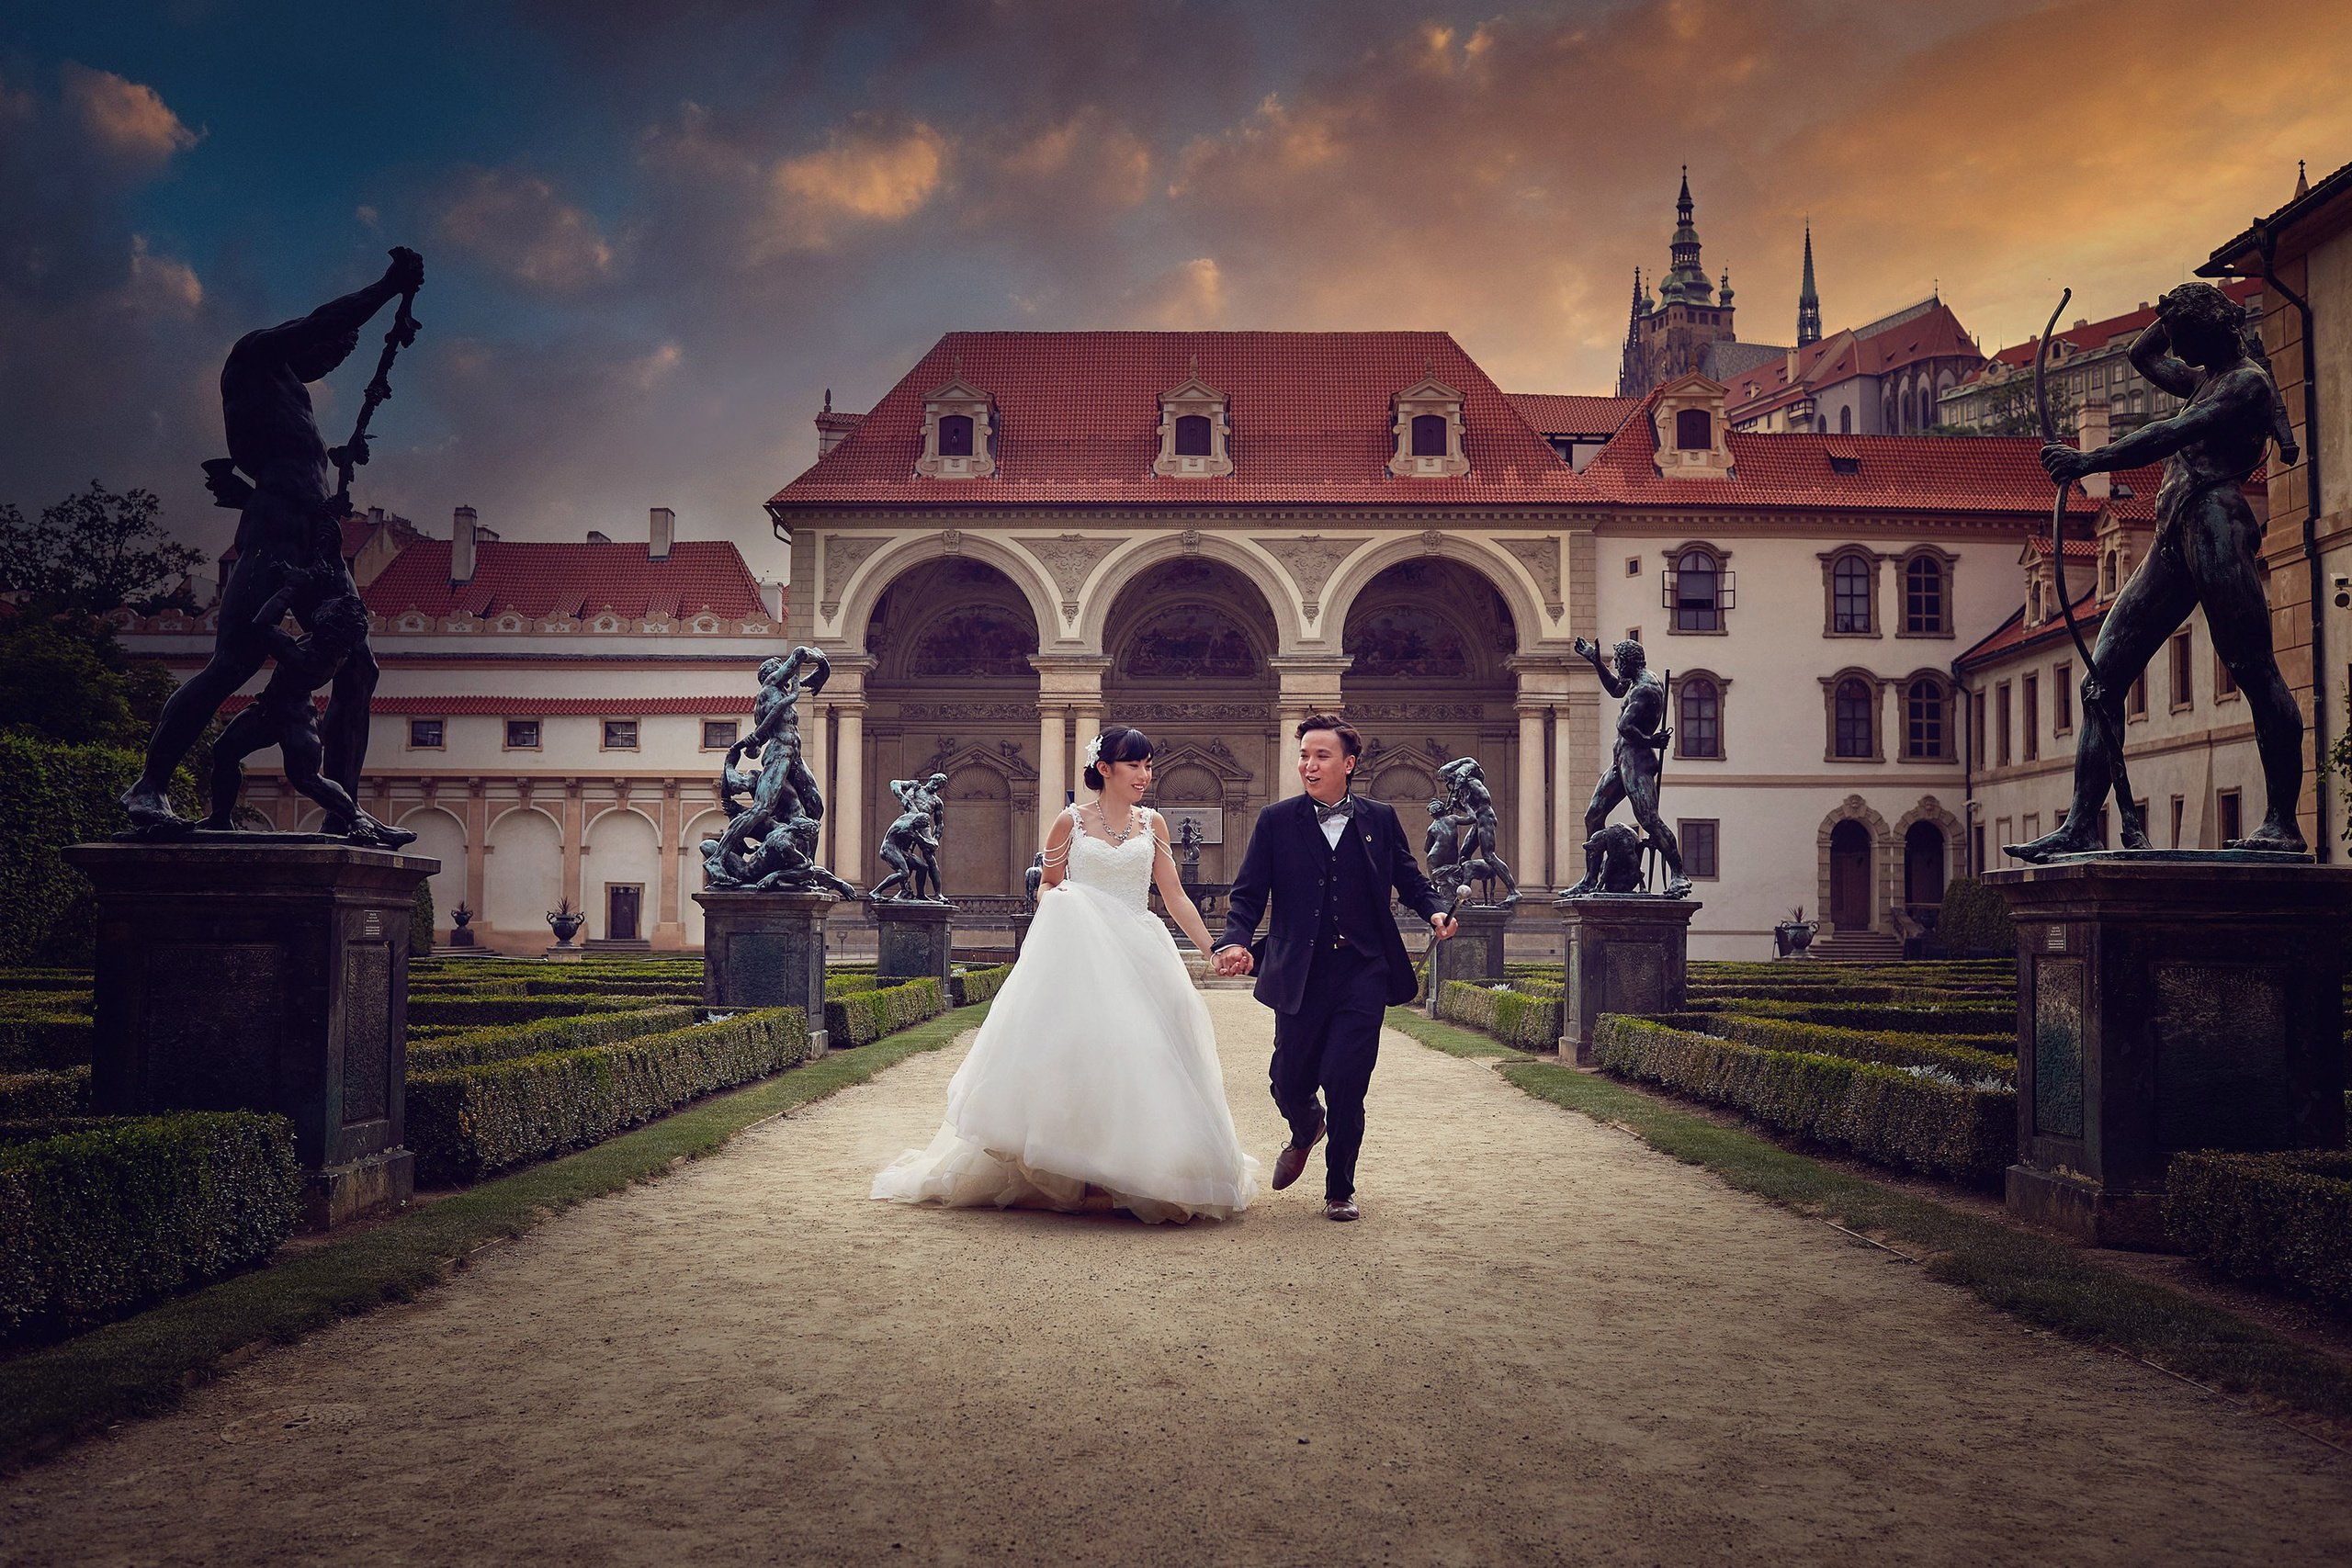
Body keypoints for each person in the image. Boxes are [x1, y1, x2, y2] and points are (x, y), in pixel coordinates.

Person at [873, 727, 1258, 1223]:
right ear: (1105, 769)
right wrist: (1064, 904)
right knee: (1084, 1051)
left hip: (1140, 948)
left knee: (1148, 1051)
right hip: (1083, 951)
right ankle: (1082, 1173)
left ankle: (1136, 1167)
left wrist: (1213, 947)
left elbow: (1175, 896)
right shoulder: (1069, 821)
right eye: (1136, 766)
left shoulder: (1153, 823)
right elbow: (1048, 886)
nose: (1146, 775)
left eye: (1148, 765)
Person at [124, 248, 424, 837]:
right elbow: (318, 326)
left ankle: (345, 819)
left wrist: (333, 472)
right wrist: (389, 287)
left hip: (318, 539)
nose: (334, 358)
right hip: (272, 536)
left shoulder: (298, 398)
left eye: (342, 356)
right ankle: (148, 788)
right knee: (233, 662)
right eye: (332, 348)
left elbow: (288, 458)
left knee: (358, 666)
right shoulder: (256, 353)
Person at [2010, 280, 2305, 860]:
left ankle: (2282, 823)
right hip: (2175, 529)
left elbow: (2168, 432)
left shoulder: (2248, 383)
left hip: (2216, 524)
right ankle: (2081, 825)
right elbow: (2138, 356)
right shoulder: (2204, 379)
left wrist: (2089, 459)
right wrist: (2168, 316)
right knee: (2102, 682)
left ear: (2215, 329)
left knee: (2255, 671)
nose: (2179, 346)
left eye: (2187, 335)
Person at [1213, 715, 1458, 1223]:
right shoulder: (1276, 821)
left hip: (1363, 969)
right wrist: (1235, 940)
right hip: (1300, 970)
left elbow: (1409, 878)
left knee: (1347, 1079)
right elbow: (1249, 893)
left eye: (1321, 755)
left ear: (1348, 764)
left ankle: (1339, 1189)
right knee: (1287, 1078)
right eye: (1304, 755)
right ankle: (1306, 1128)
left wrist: (1433, 908)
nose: (1308, 764)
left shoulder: (1381, 818)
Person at [1563, 637, 1689, 897]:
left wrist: (1650, 740)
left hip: (1636, 760)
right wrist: (1596, 662)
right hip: (1621, 759)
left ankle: (1679, 875)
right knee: (1593, 815)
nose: (1617, 668)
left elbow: (1625, 727)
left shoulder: (1646, 688)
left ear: (1629, 662)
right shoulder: (1634, 682)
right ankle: (1589, 878)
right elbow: (1615, 689)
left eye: (1619, 663)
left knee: (1649, 820)